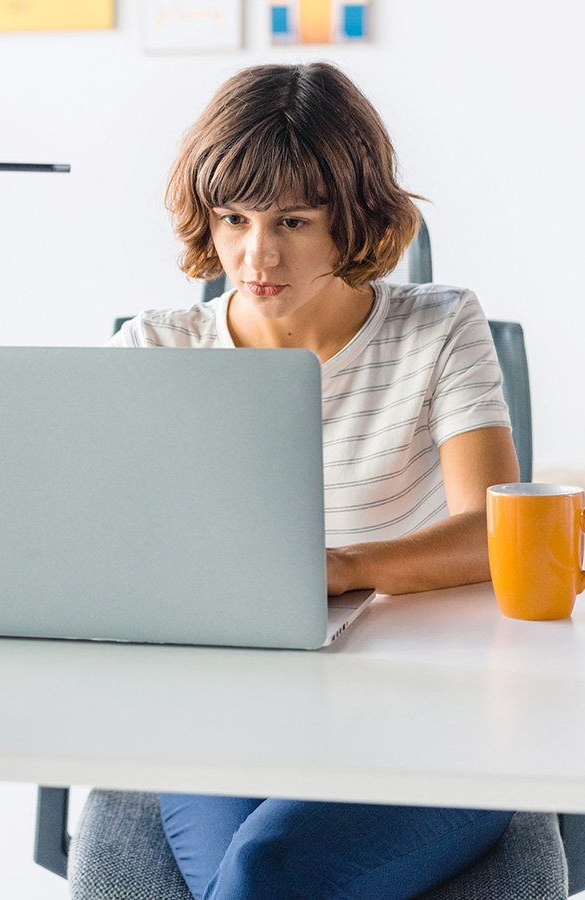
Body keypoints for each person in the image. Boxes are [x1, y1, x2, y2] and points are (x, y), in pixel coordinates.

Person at [108, 63, 521, 899]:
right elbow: (110, 548)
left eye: (293, 220)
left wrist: (340, 570)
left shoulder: (438, 329)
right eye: (233, 218)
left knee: (266, 872)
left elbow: (494, 533)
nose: (255, 255)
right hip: (221, 709)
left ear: (353, 218)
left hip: (423, 709)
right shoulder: (157, 348)